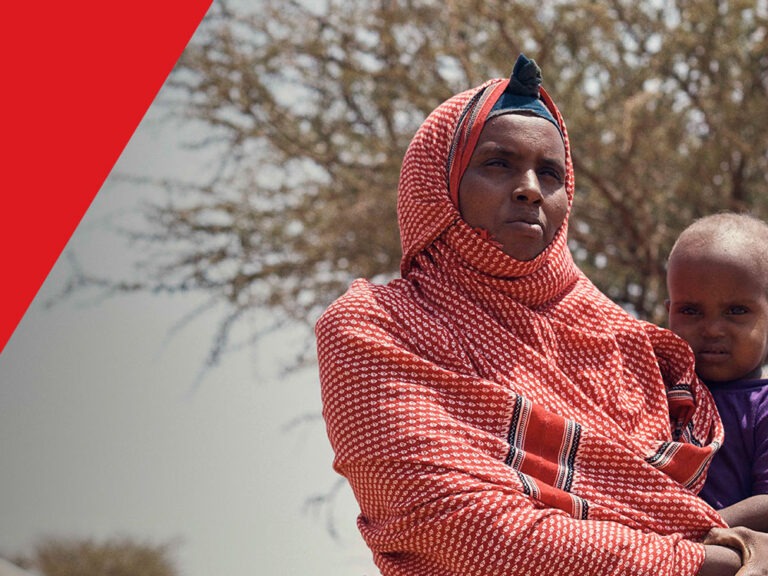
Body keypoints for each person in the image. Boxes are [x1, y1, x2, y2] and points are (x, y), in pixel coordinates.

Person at [315, 54, 768, 575]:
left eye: (549, 173)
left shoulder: (626, 343)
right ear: (438, 183)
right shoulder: (374, 328)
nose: (530, 186)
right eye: (497, 163)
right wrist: (723, 560)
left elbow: (661, 503)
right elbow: (460, 525)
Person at [666, 212, 768, 532]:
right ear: (669, 311)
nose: (711, 329)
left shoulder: (762, 406)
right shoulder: (654, 389)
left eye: (736, 311)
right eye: (691, 310)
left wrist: (692, 531)